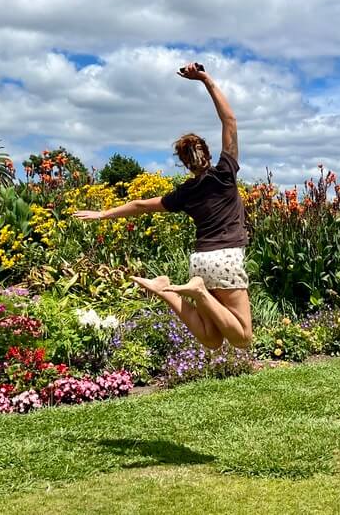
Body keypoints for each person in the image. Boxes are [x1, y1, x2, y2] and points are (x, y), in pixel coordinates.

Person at [73, 62, 252, 349]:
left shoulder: (185, 193)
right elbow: (229, 121)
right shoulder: (225, 173)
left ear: (184, 162)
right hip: (226, 257)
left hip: (201, 261)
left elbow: (140, 205)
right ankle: (199, 292)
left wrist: (103, 214)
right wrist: (205, 79)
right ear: (206, 152)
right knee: (242, 338)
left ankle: (165, 290)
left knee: (212, 339)